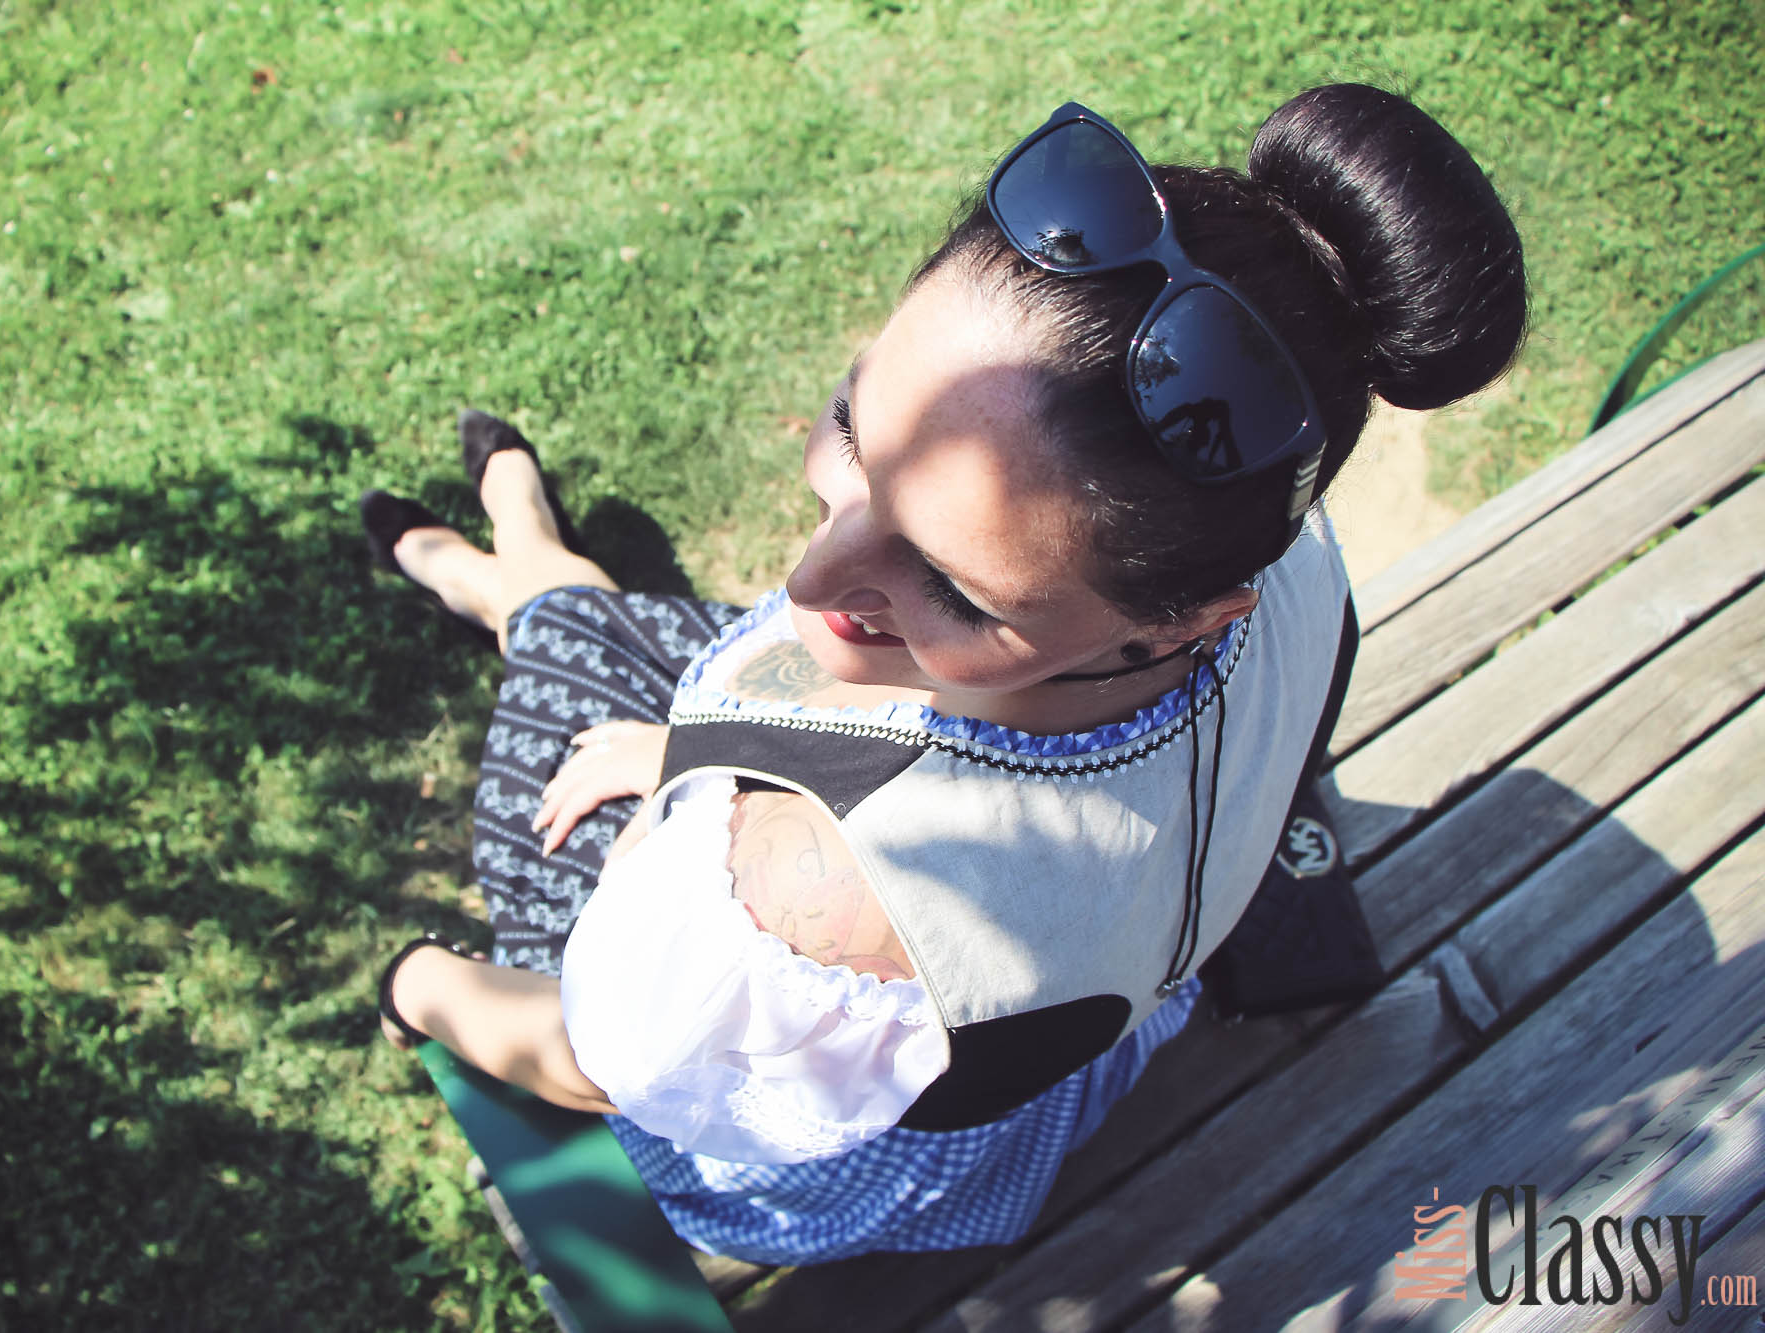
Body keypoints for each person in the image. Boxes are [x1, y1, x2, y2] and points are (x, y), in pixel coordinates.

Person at [364, 83, 1526, 1264]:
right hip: (1071, 1028)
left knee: (560, 712)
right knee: (619, 662)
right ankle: (520, 569)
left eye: (960, 589)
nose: (813, 582)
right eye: (855, 428)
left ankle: (523, 575)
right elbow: (847, 622)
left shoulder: (807, 905)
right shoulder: (1286, 546)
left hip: (815, 1151)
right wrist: (696, 752)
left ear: (1182, 618)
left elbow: (585, 1061)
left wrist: (413, 982)